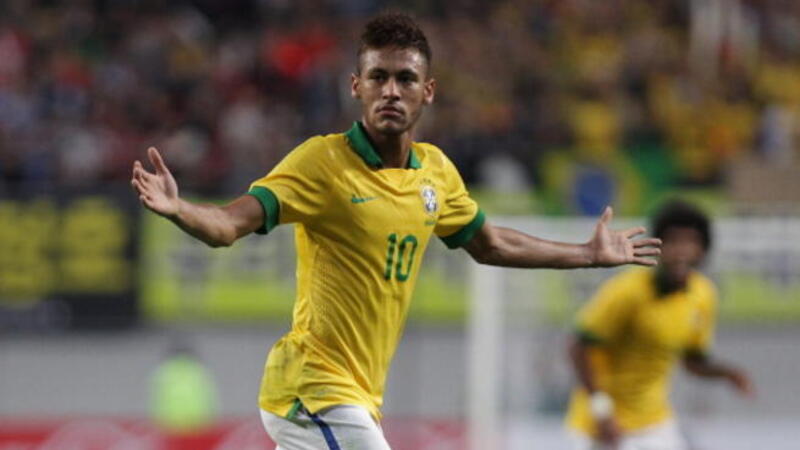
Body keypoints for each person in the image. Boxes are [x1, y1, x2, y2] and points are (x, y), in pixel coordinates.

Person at [131, 13, 660, 450]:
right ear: (355, 86)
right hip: (312, 390)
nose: (390, 90)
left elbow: (491, 243)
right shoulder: (322, 163)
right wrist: (180, 209)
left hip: (358, 397)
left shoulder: (436, 172)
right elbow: (229, 225)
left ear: (427, 92)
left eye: (404, 79)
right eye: (378, 77)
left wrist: (587, 253)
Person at [565, 200, 754, 450]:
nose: (681, 251)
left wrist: (728, 374)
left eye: (690, 241)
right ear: (658, 247)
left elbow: (692, 361)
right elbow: (578, 347)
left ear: (703, 249)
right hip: (603, 427)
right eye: (673, 241)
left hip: (654, 423)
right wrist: (602, 411)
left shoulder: (703, 295)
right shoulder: (627, 291)